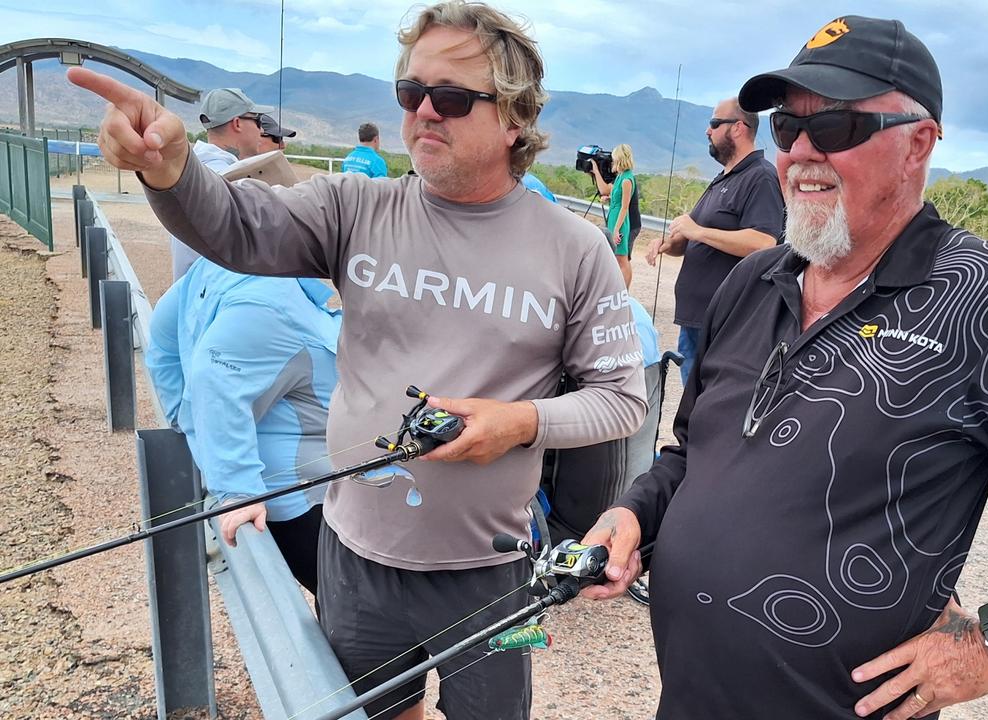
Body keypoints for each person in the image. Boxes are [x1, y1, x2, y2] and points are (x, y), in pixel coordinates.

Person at [581, 15, 988, 720]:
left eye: (839, 127)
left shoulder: (986, 299)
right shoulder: (755, 280)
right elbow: (696, 450)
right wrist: (634, 512)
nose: (804, 151)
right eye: (788, 128)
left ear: (918, 143)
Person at [68, 2, 647, 719]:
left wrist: (519, 421)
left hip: (493, 574)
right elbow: (235, 228)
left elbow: (622, 398)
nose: (424, 112)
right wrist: (171, 168)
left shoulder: (574, 248)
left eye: (453, 98)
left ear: (514, 118)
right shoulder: (354, 206)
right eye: (411, 92)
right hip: (353, 558)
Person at [146, 257, 341, 594]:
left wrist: (186, 416)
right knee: (356, 611)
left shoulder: (214, 269)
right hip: (306, 499)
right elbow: (213, 379)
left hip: (307, 485)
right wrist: (239, 491)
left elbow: (163, 337)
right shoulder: (265, 302)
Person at [645, 97, 785, 385]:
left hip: (726, 322)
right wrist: (667, 243)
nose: (708, 131)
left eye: (714, 124)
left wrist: (698, 231)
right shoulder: (723, 178)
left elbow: (763, 242)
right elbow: (690, 239)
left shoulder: (761, 177)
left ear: (738, 128)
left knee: (709, 407)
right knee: (693, 407)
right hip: (696, 321)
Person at [171, 87, 273, 280]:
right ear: (237, 123)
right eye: (257, 120)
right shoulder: (228, 179)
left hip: (194, 293)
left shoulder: (194, 172)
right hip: (215, 298)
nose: (261, 130)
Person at [590, 143, 636, 288]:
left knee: (622, 258)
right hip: (613, 217)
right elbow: (616, 196)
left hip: (619, 221)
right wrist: (608, 199)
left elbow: (625, 206)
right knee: (615, 257)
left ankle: (624, 289)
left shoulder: (627, 179)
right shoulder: (620, 176)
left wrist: (617, 229)